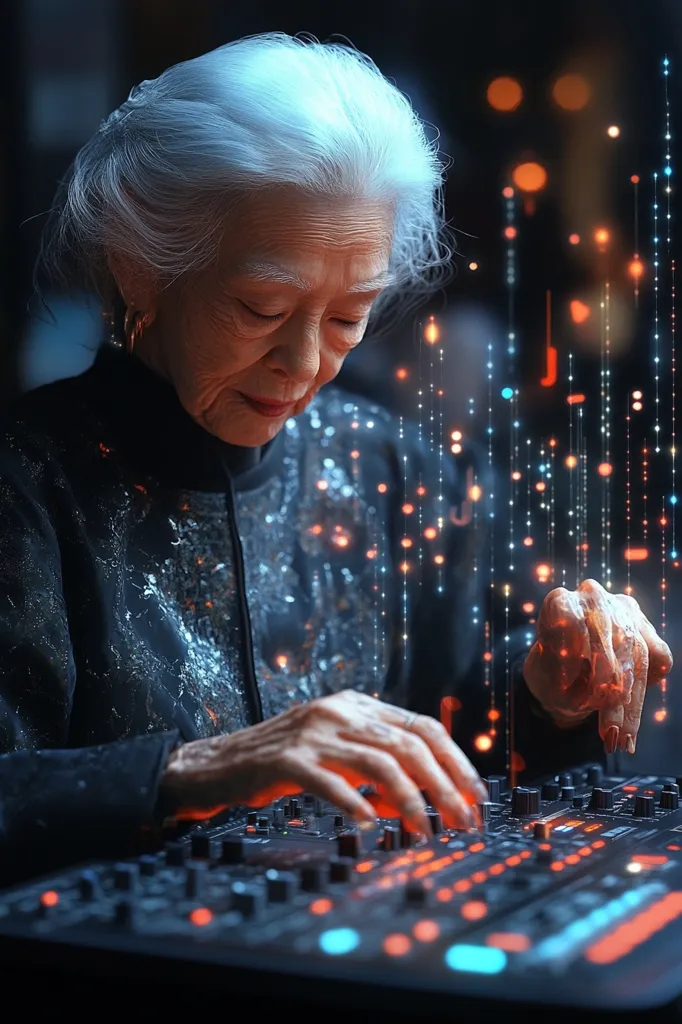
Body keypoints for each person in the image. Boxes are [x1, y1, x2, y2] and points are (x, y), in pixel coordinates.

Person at [0, 32, 672, 887]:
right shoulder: (27, 488)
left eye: (349, 316)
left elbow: (461, 733)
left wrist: (550, 689)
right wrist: (188, 772)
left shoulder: (385, 464)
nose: (305, 362)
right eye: (262, 305)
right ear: (140, 268)